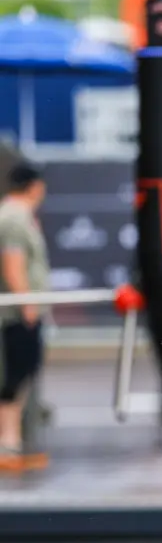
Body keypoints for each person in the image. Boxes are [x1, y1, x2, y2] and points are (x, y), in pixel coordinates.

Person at [0, 162, 50, 472]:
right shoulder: (15, 218)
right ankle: (8, 440)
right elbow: (13, 265)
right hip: (18, 313)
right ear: (33, 186)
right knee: (15, 376)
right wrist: (27, 305)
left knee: (20, 375)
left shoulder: (17, 216)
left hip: (21, 309)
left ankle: (12, 440)